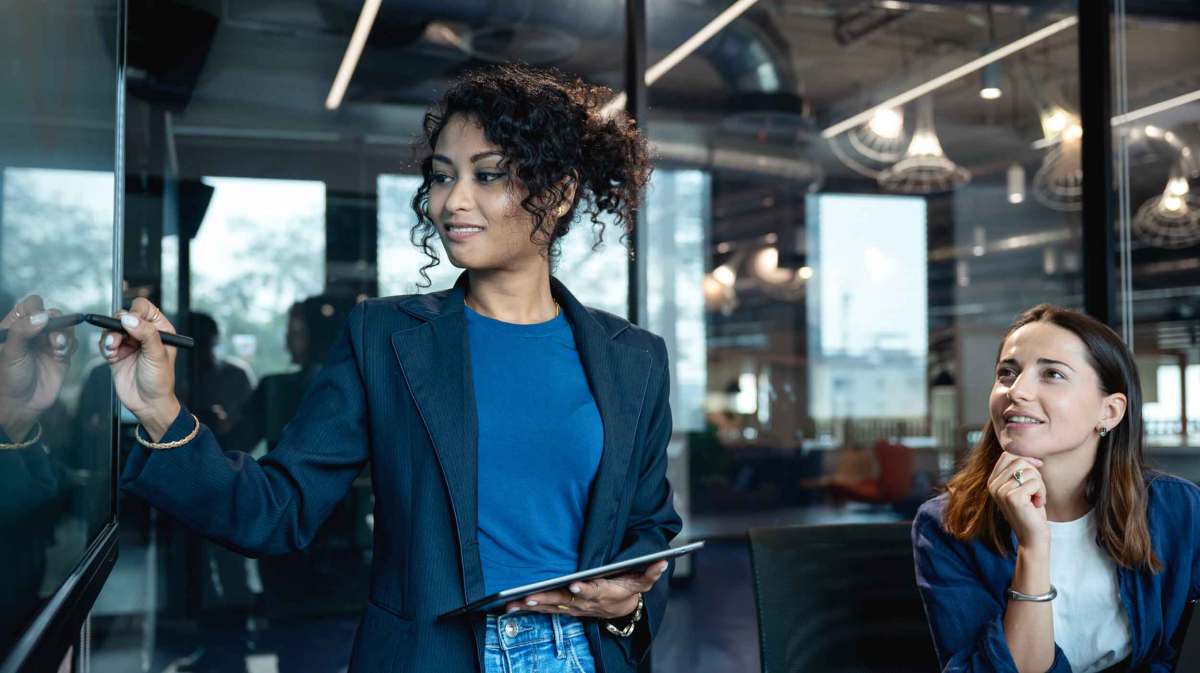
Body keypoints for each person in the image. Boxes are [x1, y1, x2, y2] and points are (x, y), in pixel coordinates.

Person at [104, 65, 680, 673]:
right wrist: (158, 409)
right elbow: (278, 510)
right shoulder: (384, 338)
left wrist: (627, 606)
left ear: (559, 193)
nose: (452, 200)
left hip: (588, 657)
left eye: (488, 175)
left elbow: (648, 528)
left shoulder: (633, 357)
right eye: (441, 176)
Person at [912, 304, 1200, 672]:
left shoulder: (1177, 509)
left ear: (1109, 412)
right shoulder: (948, 524)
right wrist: (1033, 547)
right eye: (1007, 373)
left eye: (1052, 374)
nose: (1017, 391)